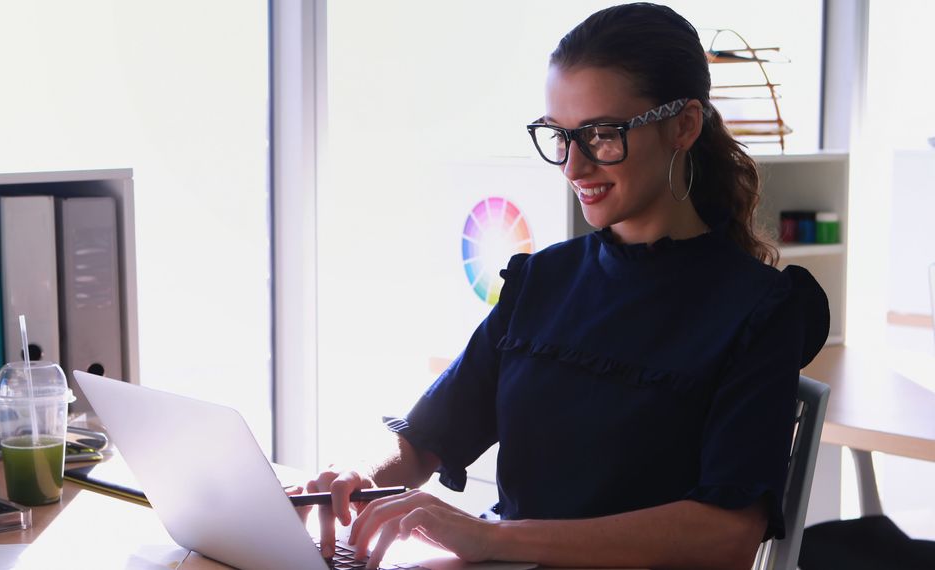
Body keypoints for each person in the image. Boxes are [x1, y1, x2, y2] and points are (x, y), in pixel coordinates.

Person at [299, 4, 830, 569]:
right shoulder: (542, 280)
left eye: (602, 135)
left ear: (684, 125)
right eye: (560, 135)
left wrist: (493, 539)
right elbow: (426, 437)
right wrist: (360, 472)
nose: (573, 167)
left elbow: (725, 536)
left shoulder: (760, 310)